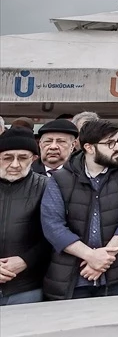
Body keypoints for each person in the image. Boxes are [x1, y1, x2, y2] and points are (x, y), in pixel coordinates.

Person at [41, 119, 118, 300]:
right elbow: (52, 225)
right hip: (74, 274)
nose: (117, 148)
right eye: (109, 143)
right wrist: (90, 256)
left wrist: (103, 259)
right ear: (89, 148)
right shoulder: (61, 178)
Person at [0, 127, 50, 315]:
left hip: (26, 287)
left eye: (22, 158)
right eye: (7, 158)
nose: (15, 164)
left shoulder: (47, 187)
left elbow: (54, 234)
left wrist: (25, 261)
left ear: (34, 159)